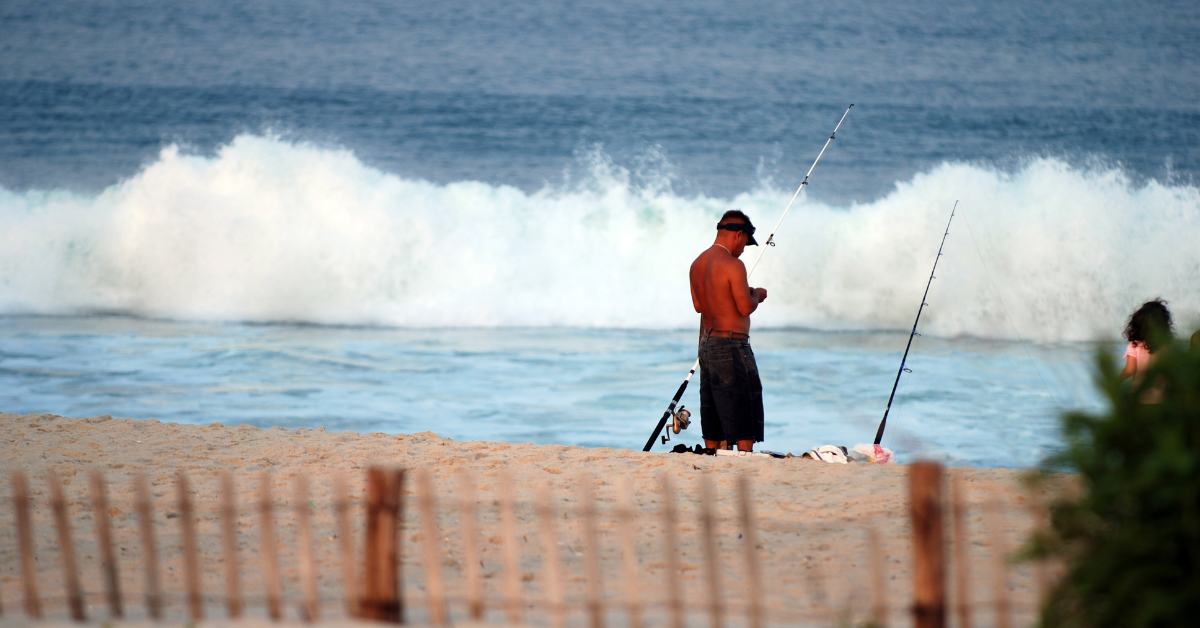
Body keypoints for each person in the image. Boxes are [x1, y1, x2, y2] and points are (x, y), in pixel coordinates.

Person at [689, 210, 767, 452]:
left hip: (707, 344)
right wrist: (757, 295)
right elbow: (745, 307)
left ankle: (713, 452)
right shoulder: (734, 265)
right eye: (745, 242)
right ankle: (745, 456)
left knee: (712, 404)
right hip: (731, 344)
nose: (744, 249)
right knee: (742, 405)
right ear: (738, 235)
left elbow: (699, 306)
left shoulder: (697, 264)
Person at [1119, 299, 1174, 400]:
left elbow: (1129, 370)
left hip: (1139, 397)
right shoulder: (1167, 346)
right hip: (1161, 399)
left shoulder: (1134, 345)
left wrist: (1117, 381)